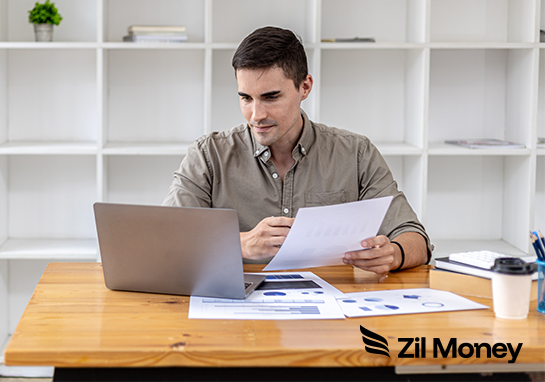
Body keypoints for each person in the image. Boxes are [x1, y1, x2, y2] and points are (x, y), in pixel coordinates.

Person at [163, 26, 432, 275]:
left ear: (305, 87)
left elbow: (414, 237)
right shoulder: (208, 155)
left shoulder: (355, 154)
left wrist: (394, 254)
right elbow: (166, 239)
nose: (256, 115)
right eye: (246, 98)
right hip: (235, 309)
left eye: (271, 97)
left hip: (328, 313)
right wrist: (240, 243)